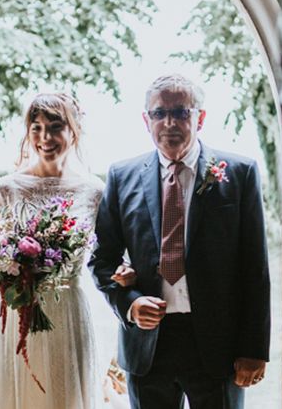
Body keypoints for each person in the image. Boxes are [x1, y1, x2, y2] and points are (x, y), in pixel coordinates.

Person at [89, 74, 271, 408]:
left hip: (219, 347)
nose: (169, 122)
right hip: (148, 348)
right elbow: (102, 260)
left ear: (199, 118)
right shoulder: (121, 176)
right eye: (159, 113)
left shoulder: (240, 173)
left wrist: (253, 349)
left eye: (181, 112)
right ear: (146, 121)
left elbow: (254, 268)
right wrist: (129, 303)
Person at [0, 92, 107, 409]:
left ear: (73, 130)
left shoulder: (94, 191)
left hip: (68, 314)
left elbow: (107, 259)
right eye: (36, 127)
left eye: (55, 126)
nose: (44, 137)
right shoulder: (5, 189)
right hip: (15, 313)